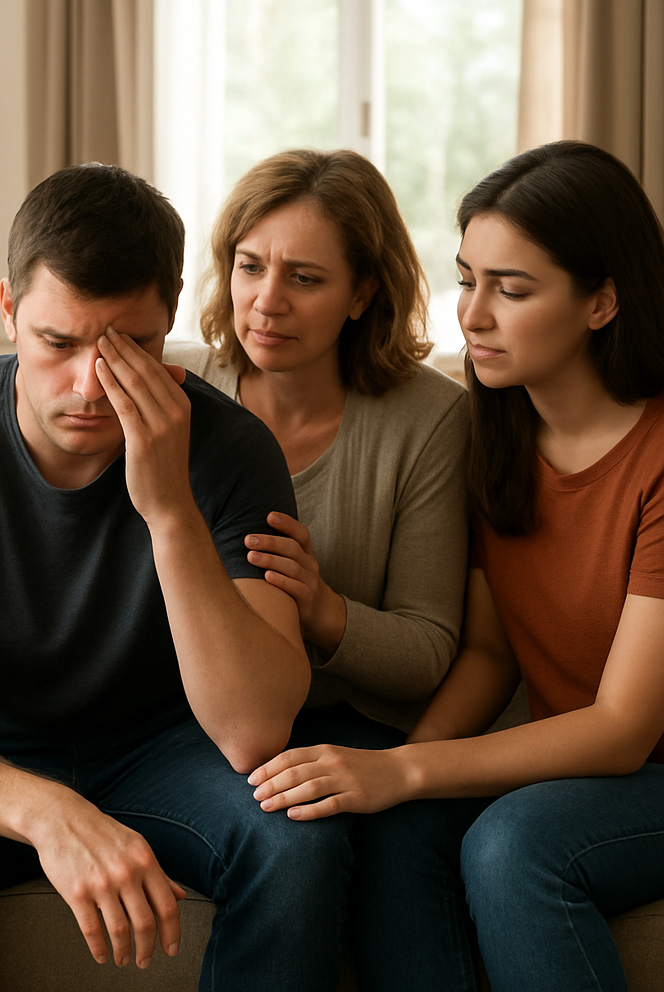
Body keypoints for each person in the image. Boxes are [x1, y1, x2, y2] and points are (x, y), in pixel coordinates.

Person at [0, 162, 345, 992]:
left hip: (163, 749)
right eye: (57, 344)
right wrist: (46, 812)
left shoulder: (231, 449)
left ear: (171, 312)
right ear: (8, 310)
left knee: (299, 839)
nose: (89, 386)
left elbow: (253, 734)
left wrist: (168, 507)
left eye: (130, 347)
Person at [248, 141, 664, 992]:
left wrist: (402, 768)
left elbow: (624, 728)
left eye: (511, 290)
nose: (472, 315)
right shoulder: (495, 432)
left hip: (644, 767)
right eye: (468, 278)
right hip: (578, 768)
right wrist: (394, 777)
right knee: (397, 836)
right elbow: (488, 654)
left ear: (602, 302)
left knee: (517, 847)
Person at [169, 148, 468, 747]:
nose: (267, 300)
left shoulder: (432, 417)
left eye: (304, 278)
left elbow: (428, 652)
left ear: (362, 295)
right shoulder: (174, 382)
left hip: (356, 731)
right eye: (249, 267)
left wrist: (322, 607)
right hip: (186, 728)